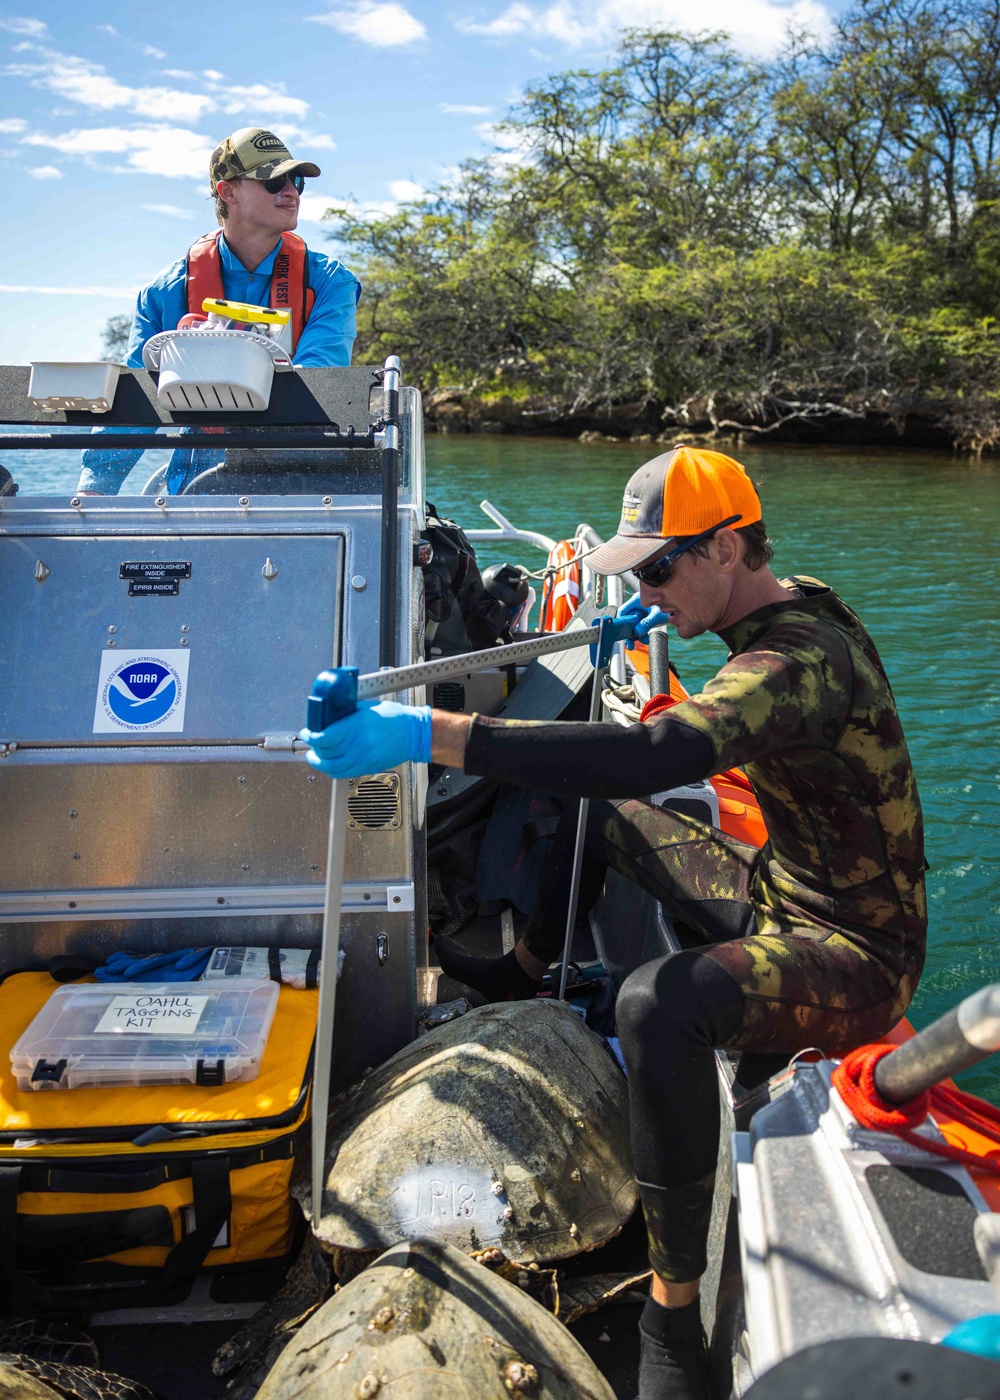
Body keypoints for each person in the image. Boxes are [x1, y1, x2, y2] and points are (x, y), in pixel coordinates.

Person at [301, 446, 927, 1400]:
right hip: (779, 891)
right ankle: (526, 965)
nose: (644, 587)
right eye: (634, 572)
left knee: (655, 1001)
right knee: (607, 823)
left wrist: (427, 734)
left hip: (854, 954)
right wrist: (658, 609)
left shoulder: (800, 659)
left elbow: (653, 751)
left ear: (726, 547)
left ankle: (671, 1309)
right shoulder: (788, 597)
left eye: (658, 568)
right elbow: (643, 760)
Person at [78, 126, 361, 495]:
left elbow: (317, 382)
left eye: (296, 181)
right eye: (274, 181)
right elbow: (135, 400)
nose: (291, 191)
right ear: (228, 191)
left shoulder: (331, 284)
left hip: (298, 490)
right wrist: (93, 492)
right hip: (194, 493)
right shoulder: (163, 292)